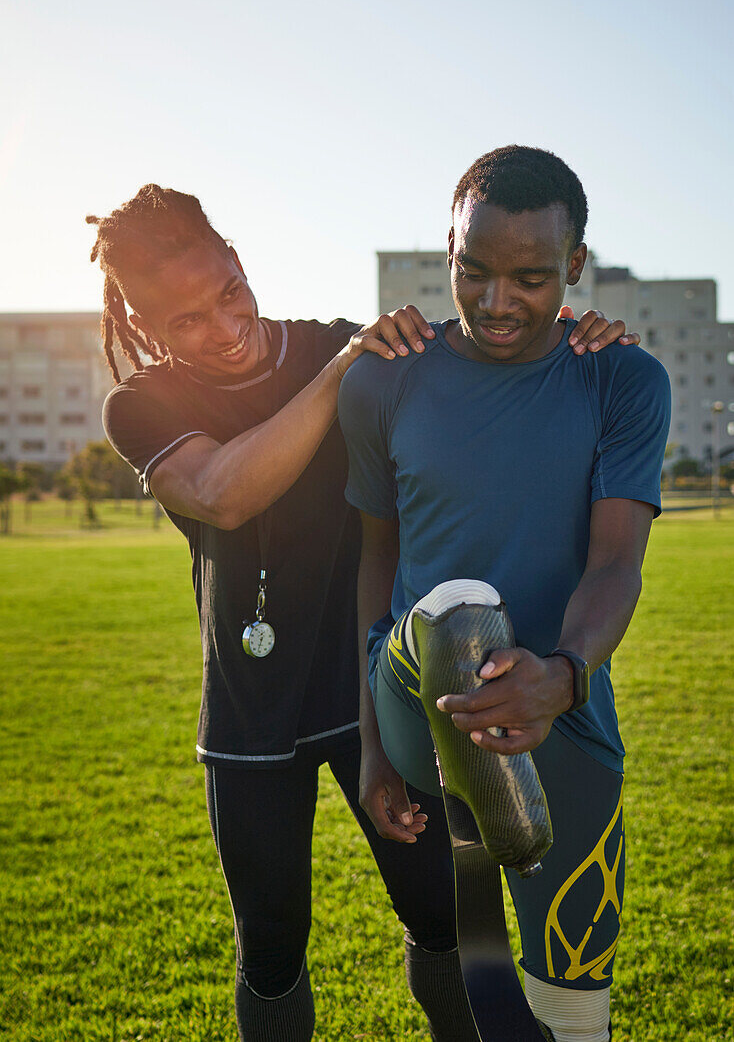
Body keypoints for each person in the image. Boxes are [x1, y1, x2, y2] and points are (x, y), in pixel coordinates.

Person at [91, 182, 639, 1042]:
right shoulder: (145, 404)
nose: (224, 326)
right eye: (184, 321)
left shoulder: (357, 348)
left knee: (446, 920)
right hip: (250, 706)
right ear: (142, 321)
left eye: (227, 293)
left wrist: (584, 343)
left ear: (239, 260)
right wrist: (341, 372)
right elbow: (218, 494)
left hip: (382, 682)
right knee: (270, 945)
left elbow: (489, 363)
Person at [338, 145, 671, 1042]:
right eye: (472, 271)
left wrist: (562, 677)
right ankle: (465, 680)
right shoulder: (383, 376)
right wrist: (371, 747)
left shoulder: (622, 379)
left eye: (530, 278)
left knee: (570, 1015)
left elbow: (616, 563)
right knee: (459, 609)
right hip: (416, 690)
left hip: (563, 710)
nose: (496, 303)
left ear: (573, 268)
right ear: (446, 252)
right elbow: (376, 563)